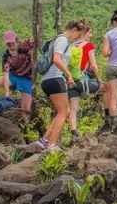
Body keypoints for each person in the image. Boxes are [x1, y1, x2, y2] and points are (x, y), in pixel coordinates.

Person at [37, 19, 87, 151]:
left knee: (65, 111)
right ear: (74, 30)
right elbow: (56, 59)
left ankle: (44, 140)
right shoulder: (63, 40)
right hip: (54, 78)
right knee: (64, 111)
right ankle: (51, 145)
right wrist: (69, 75)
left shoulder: (58, 39)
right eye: (79, 34)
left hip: (49, 79)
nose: (78, 38)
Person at [0, 31, 34, 115]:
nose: (11, 44)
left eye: (12, 42)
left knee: (25, 109)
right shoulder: (6, 56)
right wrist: (7, 91)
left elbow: (38, 41)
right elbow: (6, 75)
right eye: (8, 43)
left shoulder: (25, 44)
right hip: (13, 76)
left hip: (27, 79)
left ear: (16, 40)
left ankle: (26, 125)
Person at [66, 23, 99, 142]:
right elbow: (94, 65)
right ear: (83, 33)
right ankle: (109, 119)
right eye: (89, 32)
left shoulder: (70, 46)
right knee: (108, 89)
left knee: (74, 108)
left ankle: (74, 134)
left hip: (71, 82)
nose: (91, 35)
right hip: (83, 81)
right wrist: (98, 79)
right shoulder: (88, 46)